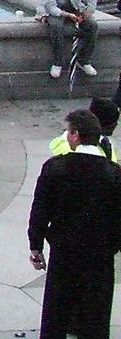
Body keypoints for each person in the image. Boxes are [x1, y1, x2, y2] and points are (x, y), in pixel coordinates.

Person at [28, 108, 121, 339]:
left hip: (64, 254)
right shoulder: (114, 174)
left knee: (56, 314)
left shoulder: (55, 168)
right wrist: (112, 247)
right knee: (96, 317)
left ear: (76, 134)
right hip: (99, 257)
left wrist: (36, 246)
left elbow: (40, 211)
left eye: (68, 132)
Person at [39, 0, 99, 80]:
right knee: (56, 26)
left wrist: (89, 9)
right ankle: (58, 62)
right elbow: (51, 8)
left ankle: (84, 60)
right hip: (56, 11)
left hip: (76, 6)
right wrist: (67, 15)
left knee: (92, 25)